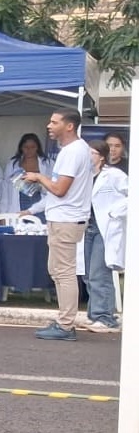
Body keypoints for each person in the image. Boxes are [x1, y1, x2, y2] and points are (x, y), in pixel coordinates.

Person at [22, 110, 93, 341]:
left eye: (54, 122)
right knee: (58, 271)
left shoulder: (73, 152)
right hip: (64, 217)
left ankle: (65, 325)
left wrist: (39, 177)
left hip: (66, 219)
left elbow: (60, 189)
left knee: (64, 272)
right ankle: (64, 319)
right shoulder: (74, 150)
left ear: (69, 126)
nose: (49, 125)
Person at [84, 139, 128, 332]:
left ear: (101, 156)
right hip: (87, 228)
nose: (87, 157)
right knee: (87, 274)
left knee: (99, 273)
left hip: (106, 228)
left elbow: (132, 195)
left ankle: (106, 317)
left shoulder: (114, 175)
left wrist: (114, 213)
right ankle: (94, 314)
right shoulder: (84, 177)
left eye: (91, 153)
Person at [0, 132, 52, 217]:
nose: (29, 150)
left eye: (32, 147)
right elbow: (5, 190)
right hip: (18, 202)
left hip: (40, 202)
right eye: (26, 147)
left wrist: (39, 184)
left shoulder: (47, 163)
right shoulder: (13, 164)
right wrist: (3, 212)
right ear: (21, 148)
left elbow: (52, 185)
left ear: (37, 147)